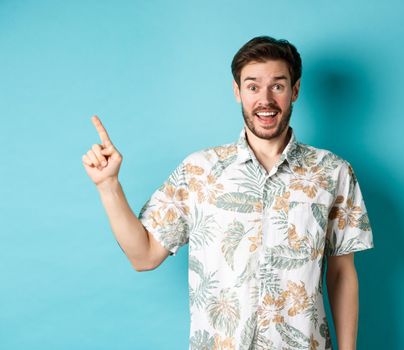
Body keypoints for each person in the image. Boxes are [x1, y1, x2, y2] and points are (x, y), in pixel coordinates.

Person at [82, 36, 373, 350]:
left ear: (295, 90)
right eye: (252, 86)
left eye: (277, 85)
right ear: (237, 92)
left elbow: (342, 274)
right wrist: (108, 185)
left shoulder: (333, 172)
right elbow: (143, 256)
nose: (265, 100)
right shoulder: (199, 171)